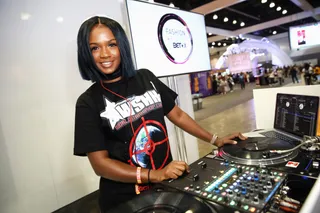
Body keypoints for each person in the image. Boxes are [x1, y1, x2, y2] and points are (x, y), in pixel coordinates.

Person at [73, 16, 247, 213]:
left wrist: (216, 139)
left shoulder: (146, 77)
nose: (105, 54)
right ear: (86, 53)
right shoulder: (87, 102)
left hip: (165, 186)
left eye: (111, 44)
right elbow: (100, 164)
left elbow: (178, 115)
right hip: (124, 200)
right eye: (95, 48)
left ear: (121, 45)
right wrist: (155, 174)